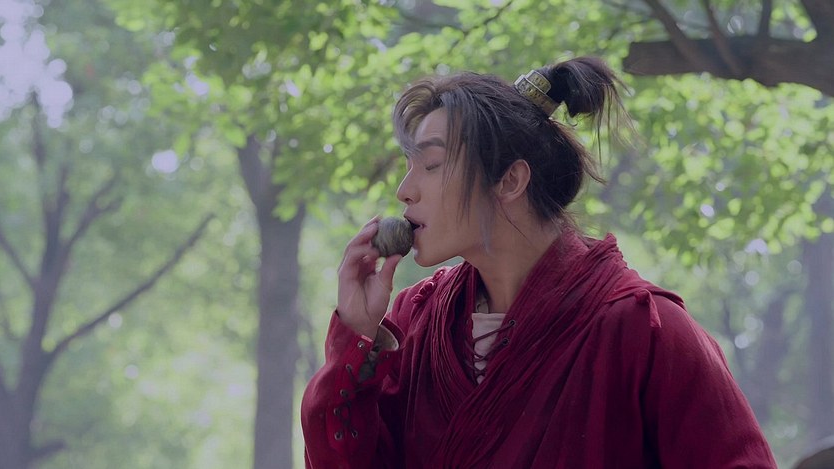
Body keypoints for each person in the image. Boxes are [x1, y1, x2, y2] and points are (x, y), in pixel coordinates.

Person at [301, 56, 777, 468]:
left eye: (430, 165)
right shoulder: (413, 322)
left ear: (510, 181)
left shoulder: (645, 330)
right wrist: (357, 335)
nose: (405, 190)